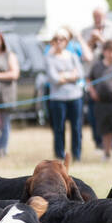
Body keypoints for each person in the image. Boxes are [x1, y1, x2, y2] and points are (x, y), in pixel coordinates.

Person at [45, 28, 84, 162]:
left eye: (62, 39)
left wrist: (64, 75)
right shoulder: (49, 58)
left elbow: (79, 74)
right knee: (59, 128)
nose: (59, 42)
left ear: (66, 41)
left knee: (76, 127)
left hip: (75, 96)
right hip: (57, 98)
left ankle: (77, 155)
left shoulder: (72, 56)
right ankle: (60, 155)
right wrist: (70, 75)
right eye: (56, 39)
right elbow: (54, 78)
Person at [87, 40, 112, 160]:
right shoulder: (97, 65)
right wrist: (92, 91)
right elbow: (89, 79)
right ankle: (106, 152)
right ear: (104, 51)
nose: (111, 54)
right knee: (105, 129)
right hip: (101, 102)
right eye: (109, 50)